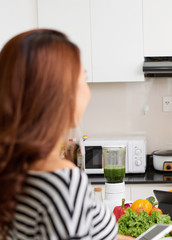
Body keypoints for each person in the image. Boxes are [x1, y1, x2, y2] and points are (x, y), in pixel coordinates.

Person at [0, 29, 134, 240]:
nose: (88, 92)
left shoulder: (13, 167)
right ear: (60, 95)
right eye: (84, 78)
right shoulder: (63, 184)